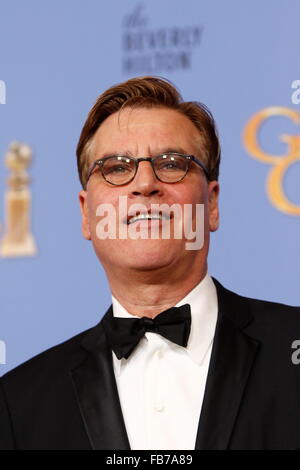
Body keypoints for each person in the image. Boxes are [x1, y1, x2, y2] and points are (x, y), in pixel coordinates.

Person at [0, 76, 299, 450]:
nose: (144, 184)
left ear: (212, 204)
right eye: (116, 168)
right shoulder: (17, 403)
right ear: (86, 215)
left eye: (172, 164)